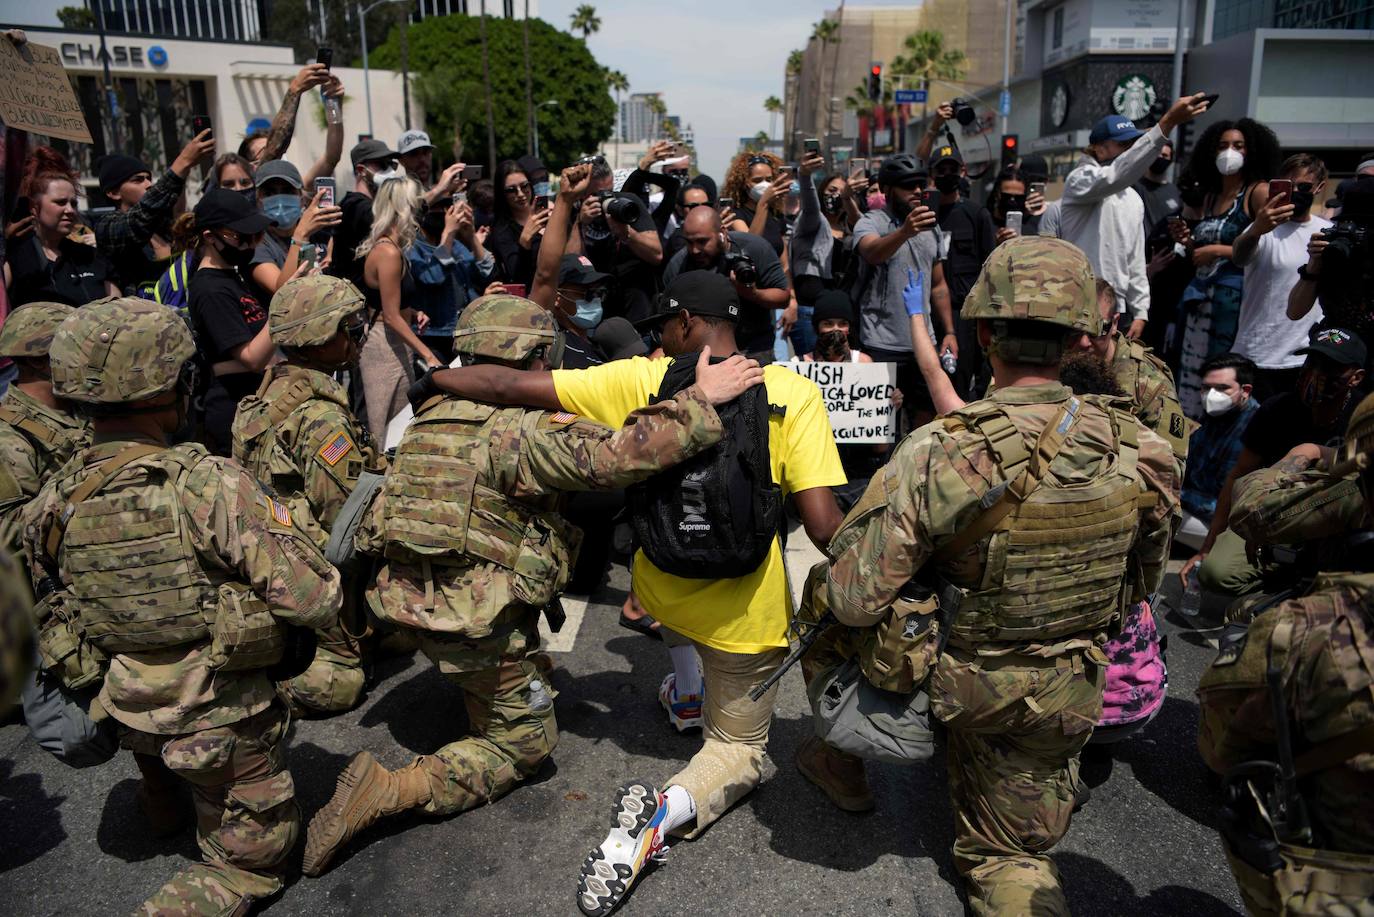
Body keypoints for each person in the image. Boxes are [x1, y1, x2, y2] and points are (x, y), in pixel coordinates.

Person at [406, 269, 844, 916]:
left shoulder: (639, 378)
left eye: (665, 325)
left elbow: (505, 384)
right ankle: (664, 813)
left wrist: (432, 379)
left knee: (676, 621)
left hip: (658, 588)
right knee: (740, 751)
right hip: (744, 613)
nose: (660, 339)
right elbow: (821, 523)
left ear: (688, 324)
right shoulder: (792, 392)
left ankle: (685, 687)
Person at [300, 292, 762, 879]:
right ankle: (389, 788)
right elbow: (619, 456)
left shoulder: (425, 413)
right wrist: (701, 401)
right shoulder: (518, 429)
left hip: (405, 601)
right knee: (522, 747)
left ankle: (491, 681)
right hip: (469, 620)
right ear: (533, 355)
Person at [820, 236, 1180, 914]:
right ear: (1079, 337)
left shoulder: (941, 450)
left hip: (965, 687)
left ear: (985, 332)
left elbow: (852, 595)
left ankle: (840, 758)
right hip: (1069, 691)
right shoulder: (1145, 449)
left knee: (821, 594)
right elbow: (1139, 588)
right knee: (1013, 861)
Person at [21, 296, 342, 915]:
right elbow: (315, 597)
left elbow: (62, 607)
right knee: (257, 866)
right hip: (218, 715)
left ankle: (161, 793)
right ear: (173, 385)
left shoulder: (52, 504)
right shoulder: (205, 484)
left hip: (126, 704)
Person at [1197, 392, 1374, 916]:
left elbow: (1255, 509)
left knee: (1251, 636)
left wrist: (1302, 456)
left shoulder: (1350, 494)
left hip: (1342, 885)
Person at [231, 275, 382, 717]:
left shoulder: (270, 391)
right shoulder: (320, 417)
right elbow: (346, 518)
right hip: (308, 564)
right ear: (318, 338)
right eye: (348, 328)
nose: (356, 337)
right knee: (340, 685)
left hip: (271, 547)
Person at [1182, 327, 1366, 603]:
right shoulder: (1278, 409)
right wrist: (1208, 545)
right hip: (1274, 514)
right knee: (1214, 573)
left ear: (1356, 378)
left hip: (1331, 524)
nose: (1316, 373)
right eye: (1312, 362)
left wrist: (1315, 452)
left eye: (1329, 368)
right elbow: (1239, 475)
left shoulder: (1363, 418)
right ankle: (1281, 584)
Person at [1057, 95, 1211, 342]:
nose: (1129, 150)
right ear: (1098, 148)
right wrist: (1167, 122)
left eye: (1133, 144)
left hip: (1118, 311)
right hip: (1079, 304)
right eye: (1123, 144)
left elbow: (1135, 259)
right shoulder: (1081, 180)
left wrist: (1140, 310)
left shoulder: (1132, 198)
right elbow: (1116, 175)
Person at [1172, 117, 1281, 415]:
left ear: (1251, 151)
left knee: (1225, 372)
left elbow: (1268, 246)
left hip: (1233, 302)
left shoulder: (1256, 192)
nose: (1229, 152)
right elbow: (1201, 254)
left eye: (1238, 145)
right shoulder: (1210, 197)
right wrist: (1189, 242)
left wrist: (1217, 250)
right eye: (1222, 146)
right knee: (1194, 372)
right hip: (1199, 301)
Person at [852, 153, 953, 427]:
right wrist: (904, 232)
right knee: (883, 424)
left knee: (926, 418)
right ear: (887, 190)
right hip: (881, 342)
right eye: (909, 186)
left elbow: (939, 285)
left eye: (921, 185)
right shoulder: (871, 221)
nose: (918, 192)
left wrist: (950, 332)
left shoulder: (932, 227)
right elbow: (871, 252)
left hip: (924, 342)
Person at [1230, 154, 1331, 402]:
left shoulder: (1324, 231)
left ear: (1319, 188)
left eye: (1304, 187)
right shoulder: (1265, 227)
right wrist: (1256, 229)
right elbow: (1239, 256)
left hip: (1302, 358)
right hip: (1257, 355)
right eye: (1288, 185)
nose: (1296, 192)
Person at [186, 187, 275, 455]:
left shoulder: (232, 277)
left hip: (251, 408)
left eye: (257, 236)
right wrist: (286, 307)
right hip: (234, 416)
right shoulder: (211, 290)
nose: (250, 245)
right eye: (242, 237)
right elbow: (252, 357)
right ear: (210, 238)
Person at [0, 301, 88, 552]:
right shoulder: (9, 437)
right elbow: (4, 533)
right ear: (40, 362)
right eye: (77, 348)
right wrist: (76, 488)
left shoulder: (83, 409)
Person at [357, 175, 438, 437]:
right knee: (388, 430)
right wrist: (428, 355)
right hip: (385, 345)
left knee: (400, 424)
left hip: (393, 340)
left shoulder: (391, 248)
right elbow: (390, 316)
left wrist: (412, 313)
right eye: (416, 205)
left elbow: (389, 305)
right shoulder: (388, 252)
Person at [92, 132, 215, 296]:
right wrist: (182, 162)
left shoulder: (164, 227)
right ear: (114, 193)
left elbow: (168, 207)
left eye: (148, 178)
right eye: (138, 180)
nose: (149, 184)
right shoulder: (107, 228)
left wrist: (186, 168)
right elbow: (139, 220)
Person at [661, 207, 790, 356]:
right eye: (689, 242)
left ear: (722, 232)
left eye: (702, 241)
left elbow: (783, 297)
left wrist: (752, 293)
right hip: (701, 352)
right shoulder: (679, 266)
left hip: (754, 347)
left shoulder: (755, 248)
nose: (695, 250)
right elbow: (667, 317)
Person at [5, 148, 118, 306]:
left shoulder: (91, 256)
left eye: (73, 203)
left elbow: (118, 309)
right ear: (34, 207)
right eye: (60, 202)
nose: (70, 210)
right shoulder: (15, 259)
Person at [928, 142, 998, 399]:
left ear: (963, 171)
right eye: (941, 169)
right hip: (928, 312)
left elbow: (990, 267)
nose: (947, 174)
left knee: (959, 379)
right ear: (931, 174)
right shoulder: (925, 215)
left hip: (964, 314)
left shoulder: (976, 214)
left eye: (952, 168)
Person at [1177, 353, 1261, 551]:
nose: (1212, 395)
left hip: (1226, 527)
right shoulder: (1214, 416)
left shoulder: (1254, 428)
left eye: (1223, 388)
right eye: (1206, 388)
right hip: (1195, 508)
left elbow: (1227, 503)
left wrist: (1173, 495)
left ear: (1245, 390)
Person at [789, 150, 865, 358]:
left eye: (842, 192)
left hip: (841, 320)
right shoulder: (811, 221)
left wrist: (849, 199)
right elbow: (811, 206)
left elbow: (860, 223)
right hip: (810, 314)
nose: (835, 196)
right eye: (831, 190)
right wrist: (804, 175)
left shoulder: (852, 229)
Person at [568, 158, 663, 323]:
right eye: (597, 195)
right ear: (581, 193)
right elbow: (567, 266)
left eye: (609, 192)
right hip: (589, 315)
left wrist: (627, 233)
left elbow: (656, 254)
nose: (605, 199)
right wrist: (580, 224)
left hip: (636, 313)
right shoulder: (569, 211)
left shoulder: (627, 205)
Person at [412, 191, 496, 365]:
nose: (444, 214)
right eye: (435, 208)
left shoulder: (456, 245)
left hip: (463, 332)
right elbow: (434, 277)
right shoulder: (414, 248)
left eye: (447, 208)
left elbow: (486, 272)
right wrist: (449, 234)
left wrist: (471, 235)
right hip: (433, 335)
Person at [1289, 176, 1374, 343]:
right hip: (1338, 351)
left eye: (1366, 227)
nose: (1360, 234)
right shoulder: (1338, 253)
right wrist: (1313, 265)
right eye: (1351, 225)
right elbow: (1294, 312)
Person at [248, 159, 344, 298]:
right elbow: (281, 292)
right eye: (270, 193)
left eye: (287, 191)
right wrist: (301, 235)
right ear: (258, 201)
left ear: (302, 198)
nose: (279, 199)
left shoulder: (322, 234)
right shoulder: (257, 243)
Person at [329, 139, 402, 287]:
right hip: (354, 300)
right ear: (361, 170)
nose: (390, 171)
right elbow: (389, 221)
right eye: (382, 165)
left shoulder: (370, 205)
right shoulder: (354, 205)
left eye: (392, 164)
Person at [486, 159, 548, 289]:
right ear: (502, 194)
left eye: (524, 185)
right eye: (511, 190)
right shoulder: (502, 231)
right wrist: (525, 241)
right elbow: (516, 278)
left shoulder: (549, 214)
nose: (520, 194)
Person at [722, 151, 789, 256]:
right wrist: (764, 203)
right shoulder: (735, 214)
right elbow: (750, 247)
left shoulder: (775, 215)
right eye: (757, 180)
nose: (765, 185)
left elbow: (783, 259)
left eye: (769, 179)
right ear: (744, 183)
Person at [1132, 138, 1183, 241]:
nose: (1160, 157)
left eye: (1164, 156)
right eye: (1157, 154)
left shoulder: (1175, 192)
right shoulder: (1135, 186)